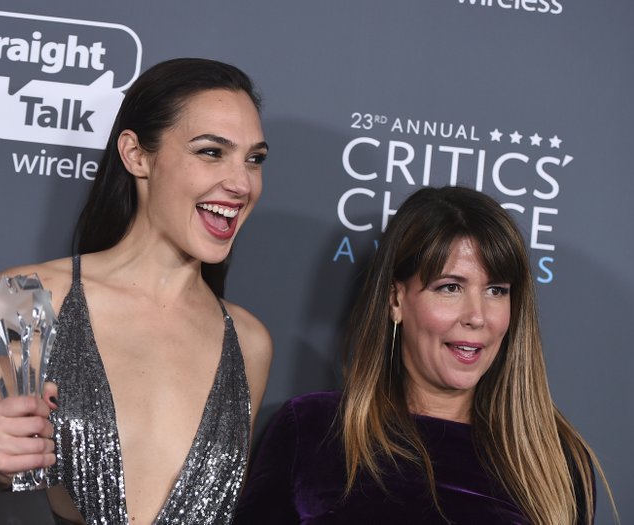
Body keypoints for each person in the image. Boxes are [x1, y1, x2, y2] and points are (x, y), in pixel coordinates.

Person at [0, 58, 273, 525]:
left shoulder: (248, 342)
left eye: (254, 159)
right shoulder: (21, 299)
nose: (241, 183)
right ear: (136, 155)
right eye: (211, 152)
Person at [235, 186, 614, 525]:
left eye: (496, 290)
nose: (477, 316)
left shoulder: (556, 460)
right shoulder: (311, 430)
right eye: (450, 287)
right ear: (396, 299)